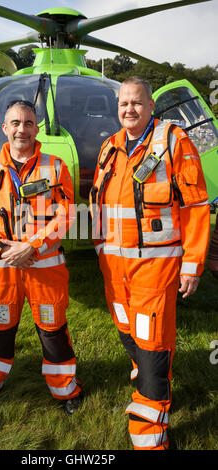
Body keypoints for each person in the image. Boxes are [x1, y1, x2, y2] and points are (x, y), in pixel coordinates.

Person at [90, 76, 210, 450]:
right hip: (115, 269)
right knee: (129, 333)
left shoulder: (174, 142)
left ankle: (151, 434)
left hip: (155, 270)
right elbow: (97, 203)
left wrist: (192, 264)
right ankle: (148, 382)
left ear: (151, 106)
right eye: (124, 103)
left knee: (154, 343)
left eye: (137, 103)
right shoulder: (110, 147)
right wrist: (98, 247)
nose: (129, 109)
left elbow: (195, 207)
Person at [0, 100, 83, 416]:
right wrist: (3, 250)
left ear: (36, 128)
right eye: (15, 123)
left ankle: (65, 391)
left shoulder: (55, 167)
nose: (22, 129)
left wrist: (33, 245)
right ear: (5, 128)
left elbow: (67, 213)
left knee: (53, 333)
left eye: (28, 123)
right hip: (3, 270)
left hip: (44, 269)